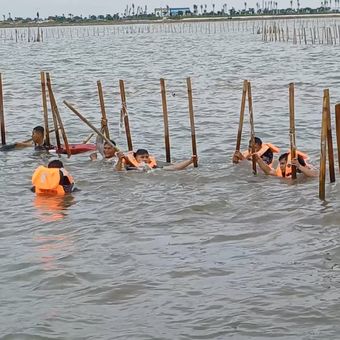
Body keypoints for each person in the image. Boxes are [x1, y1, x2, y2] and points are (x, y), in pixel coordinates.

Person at [115, 148, 197, 171]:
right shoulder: (129, 166)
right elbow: (118, 171)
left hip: (153, 170)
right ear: (136, 158)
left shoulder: (153, 166)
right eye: (142, 157)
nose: (145, 159)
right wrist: (119, 160)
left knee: (173, 168)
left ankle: (190, 161)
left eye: (146, 157)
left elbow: (174, 168)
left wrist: (190, 161)